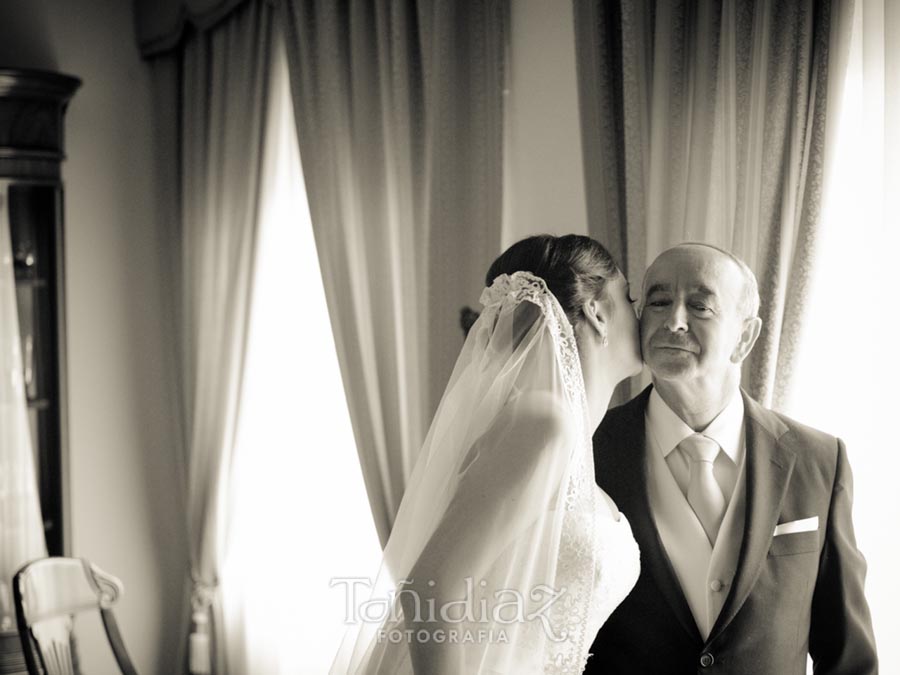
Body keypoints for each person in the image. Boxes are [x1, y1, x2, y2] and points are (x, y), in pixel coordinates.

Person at [331, 234, 643, 674]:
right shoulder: (544, 425)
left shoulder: (564, 437)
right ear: (596, 311)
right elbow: (428, 589)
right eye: (628, 297)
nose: (640, 311)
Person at [586, 243, 877, 674]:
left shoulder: (819, 460)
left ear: (745, 336)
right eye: (659, 301)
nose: (674, 321)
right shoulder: (588, 447)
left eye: (700, 306)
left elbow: (847, 655)